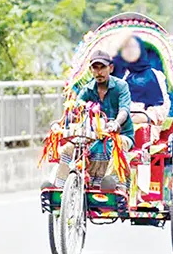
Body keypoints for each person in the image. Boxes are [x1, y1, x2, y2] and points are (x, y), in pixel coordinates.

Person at [45, 50, 134, 191]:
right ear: (91, 70)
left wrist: (116, 123)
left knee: (118, 144)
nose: (99, 72)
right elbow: (74, 109)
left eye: (102, 68)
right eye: (95, 68)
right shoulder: (87, 89)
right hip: (93, 135)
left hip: (120, 134)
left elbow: (124, 110)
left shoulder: (121, 86)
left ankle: (111, 183)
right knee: (68, 148)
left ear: (110, 68)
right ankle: (60, 186)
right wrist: (62, 122)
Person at [114, 35, 171, 143]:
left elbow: (162, 108)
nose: (130, 51)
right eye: (126, 48)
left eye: (133, 47)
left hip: (146, 126)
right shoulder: (121, 75)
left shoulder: (155, 76)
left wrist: (143, 117)